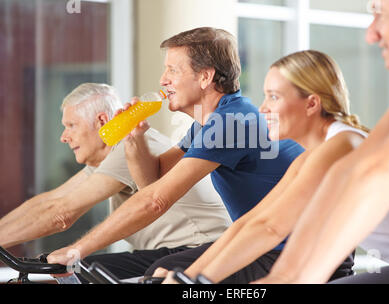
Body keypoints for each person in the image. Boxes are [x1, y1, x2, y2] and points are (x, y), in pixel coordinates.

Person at [159, 50, 389, 285]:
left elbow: (271, 228)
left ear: (311, 104)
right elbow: (252, 222)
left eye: (274, 96)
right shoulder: (312, 156)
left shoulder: (342, 145)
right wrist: (188, 276)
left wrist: (194, 281)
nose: (263, 109)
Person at [47, 27, 305, 283]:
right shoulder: (210, 122)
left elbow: (155, 201)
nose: (163, 80)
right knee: (160, 269)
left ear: (205, 77)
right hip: (259, 243)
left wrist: (77, 250)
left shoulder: (230, 122)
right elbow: (152, 181)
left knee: (164, 274)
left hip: (289, 251)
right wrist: (134, 138)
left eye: (173, 70)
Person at [256, 0, 389, 284]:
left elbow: (382, 171)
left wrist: (299, 277)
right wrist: (287, 274)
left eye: (380, 16)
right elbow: (359, 168)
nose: (371, 34)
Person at [0, 83, 232, 281]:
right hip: (168, 251)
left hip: (199, 250)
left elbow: (61, 214)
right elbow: (52, 200)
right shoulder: (108, 156)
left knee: (76, 271)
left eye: (71, 125)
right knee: (74, 271)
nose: (64, 136)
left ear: (102, 120)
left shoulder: (128, 147)